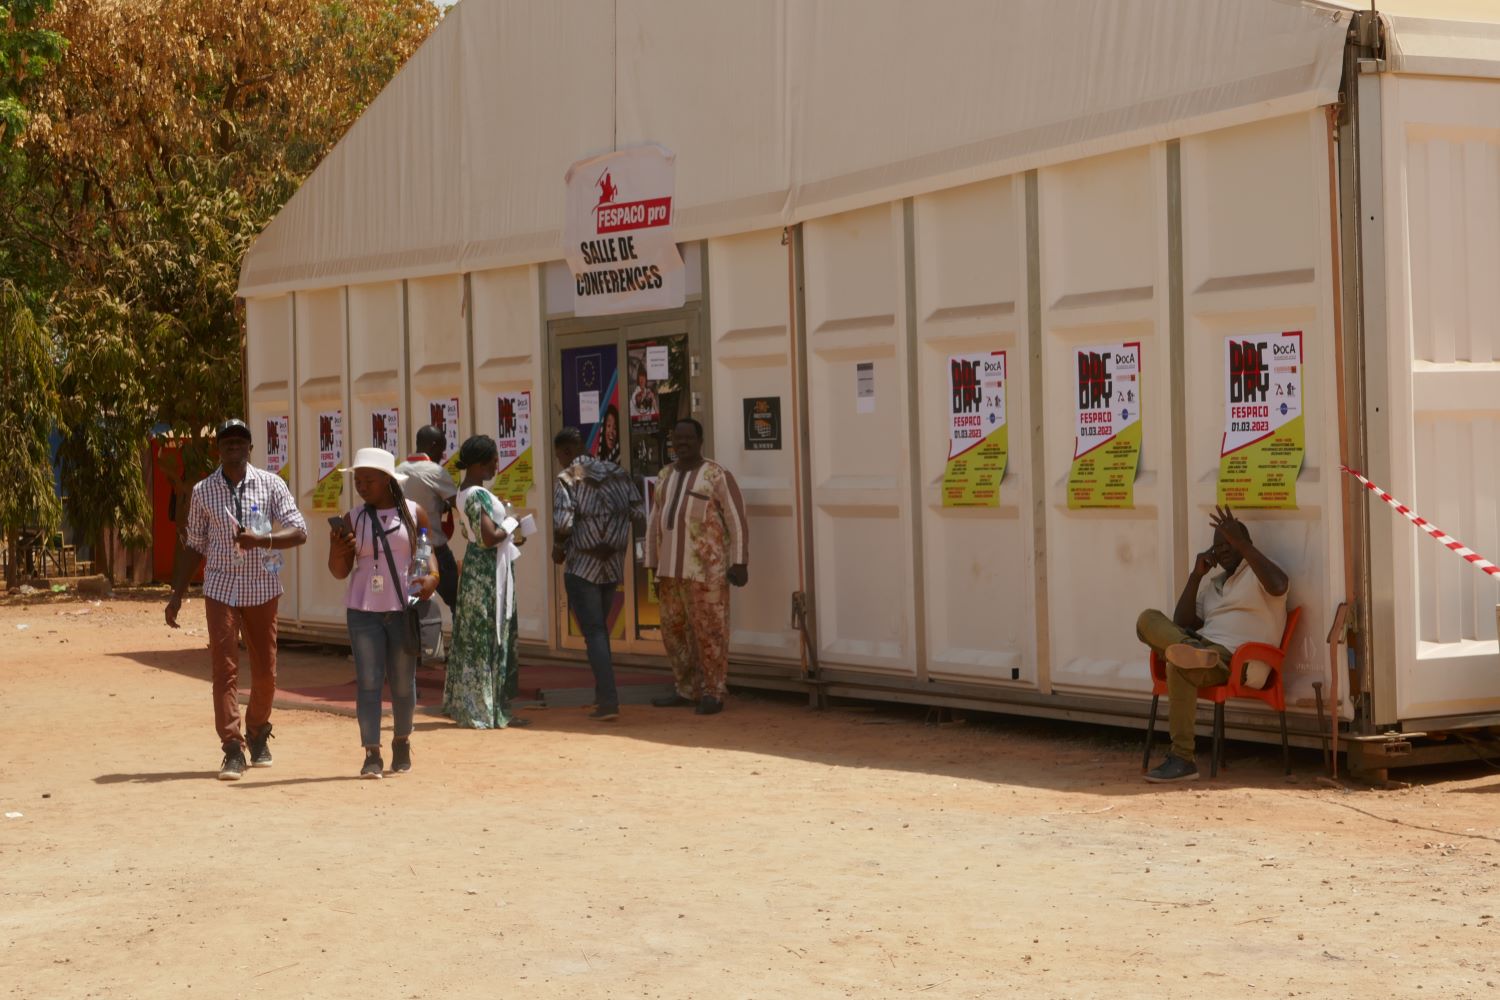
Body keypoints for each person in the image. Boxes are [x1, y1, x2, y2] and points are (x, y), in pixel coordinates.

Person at [165, 419, 308, 780]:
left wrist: (263, 541)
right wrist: (176, 594)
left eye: (240, 442)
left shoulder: (271, 485)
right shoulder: (202, 491)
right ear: (219, 449)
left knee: (265, 672)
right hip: (220, 589)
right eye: (227, 442)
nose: (233, 447)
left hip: (261, 588)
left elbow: (299, 530)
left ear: (250, 448)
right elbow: (194, 544)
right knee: (224, 670)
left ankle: (258, 731)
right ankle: (232, 747)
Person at [1137, 505, 1289, 783]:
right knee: (1147, 620)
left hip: (1236, 659)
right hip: (1203, 648)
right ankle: (1192, 653)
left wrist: (1242, 545)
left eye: (1230, 542)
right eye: (1218, 546)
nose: (1224, 550)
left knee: (1178, 662)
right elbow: (1181, 621)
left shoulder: (1259, 575)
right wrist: (1196, 576)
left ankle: (1182, 759)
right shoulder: (1213, 586)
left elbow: (1280, 585)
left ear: (1245, 544)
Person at [327, 448, 439, 778]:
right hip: (363, 610)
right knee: (369, 681)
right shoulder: (353, 518)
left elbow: (427, 553)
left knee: (403, 683)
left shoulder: (414, 513)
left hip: (402, 608)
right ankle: (371, 753)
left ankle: (402, 740)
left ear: (388, 480)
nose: (361, 486)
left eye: (368, 480)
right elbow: (338, 571)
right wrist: (337, 550)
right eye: (358, 480)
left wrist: (433, 577)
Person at [643, 418, 749, 715]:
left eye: (689, 438)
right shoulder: (665, 475)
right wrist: (651, 562)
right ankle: (686, 689)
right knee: (673, 632)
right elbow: (654, 522)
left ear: (700, 441)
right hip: (670, 573)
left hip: (707, 574)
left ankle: (714, 692)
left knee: (710, 632)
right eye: (678, 439)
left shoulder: (715, 475)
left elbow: (736, 520)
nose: (683, 444)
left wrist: (740, 561)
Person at [552, 426, 645, 721]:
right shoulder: (618, 472)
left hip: (582, 566)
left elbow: (563, 523)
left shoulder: (567, 477)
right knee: (600, 630)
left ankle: (608, 699)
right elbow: (639, 513)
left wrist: (559, 547)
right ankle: (601, 695)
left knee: (594, 633)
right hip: (612, 564)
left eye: (559, 456)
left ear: (566, 451)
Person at [443, 435, 530, 729]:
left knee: (478, 636)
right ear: (481, 463)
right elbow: (488, 537)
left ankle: (480, 706)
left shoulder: (463, 492)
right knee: (489, 635)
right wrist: (511, 524)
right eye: (494, 459)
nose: (497, 464)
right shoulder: (476, 495)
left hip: (479, 570)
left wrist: (510, 534)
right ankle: (486, 709)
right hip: (486, 575)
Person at [396, 425, 459, 612]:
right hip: (434, 549)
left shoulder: (397, 470)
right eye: (441, 448)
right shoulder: (435, 471)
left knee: (411, 602)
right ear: (433, 446)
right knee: (459, 601)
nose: (443, 454)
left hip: (406, 547)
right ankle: (460, 641)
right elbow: (459, 504)